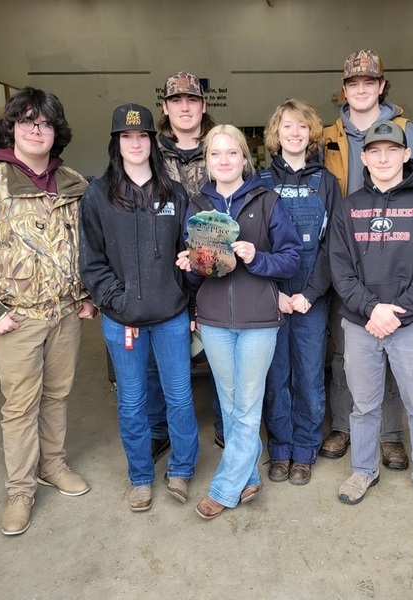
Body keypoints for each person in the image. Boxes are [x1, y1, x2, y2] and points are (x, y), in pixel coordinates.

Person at [0, 87, 94, 536]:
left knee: (57, 396)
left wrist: (88, 294)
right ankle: (20, 490)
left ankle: (53, 465)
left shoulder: (74, 183)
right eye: (26, 121)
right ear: (11, 127)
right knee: (20, 406)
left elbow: (89, 247)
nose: (35, 129)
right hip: (18, 318)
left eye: (45, 122)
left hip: (66, 314)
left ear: (56, 131)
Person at [329, 120, 413, 516]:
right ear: (364, 158)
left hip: (410, 324)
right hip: (362, 323)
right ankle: (363, 469)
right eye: (375, 151)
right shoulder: (348, 208)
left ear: (406, 154)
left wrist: (394, 313)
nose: (383, 158)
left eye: (391, 150)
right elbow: (340, 269)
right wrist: (371, 309)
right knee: (363, 405)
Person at [176, 125, 302, 520]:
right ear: (208, 162)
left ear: (244, 159)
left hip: (259, 319)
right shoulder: (197, 205)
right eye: (216, 154)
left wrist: (256, 257)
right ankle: (248, 476)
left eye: (232, 153)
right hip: (213, 320)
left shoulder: (266, 201)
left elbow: (293, 257)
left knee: (246, 406)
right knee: (231, 405)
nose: (224, 160)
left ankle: (224, 489)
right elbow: (197, 276)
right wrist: (190, 265)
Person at [80, 103, 200, 513]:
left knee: (180, 397)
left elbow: (189, 252)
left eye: (143, 136)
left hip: (171, 317)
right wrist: (118, 300)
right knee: (131, 401)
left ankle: (182, 469)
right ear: (117, 143)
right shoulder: (98, 194)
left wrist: (188, 291)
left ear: (153, 141)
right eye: (127, 137)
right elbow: (91, 260)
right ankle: (140, 477)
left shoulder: (174, 192)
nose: (135, 143)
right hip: (123, 321)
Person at [321, 49, 413, 470]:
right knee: (345, 349)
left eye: (370, 82)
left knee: (393, 345)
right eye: (354, 83)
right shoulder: (328, 133)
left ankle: (390, 436)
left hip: (397, 261)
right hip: (348, 258)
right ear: (344, 88)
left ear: (382, 86)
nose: (362, 88)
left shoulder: (408, 132)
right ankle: (345, 426)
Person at [260, 99, 340, 485]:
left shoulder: (326, 182)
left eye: (302, 126)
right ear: (276, 134)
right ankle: (280, 450)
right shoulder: (260, 183)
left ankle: (305, 451)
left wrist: (310, 292)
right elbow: (254, 244)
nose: (294, 133)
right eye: (287, 126)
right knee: (276, 377)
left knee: (308, 376)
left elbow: (333, 246)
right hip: (271, 297)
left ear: (312, 134)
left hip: (312, 296)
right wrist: (273, 293)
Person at [145, 71, 224, 460]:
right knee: (159, 352)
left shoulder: (220, 145)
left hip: (213, 260)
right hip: (162, 264)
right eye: (177, 101)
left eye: (192, 100)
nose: (185, 107)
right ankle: (159, 428)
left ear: (203, 105)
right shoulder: (150, 151)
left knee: (219, 344)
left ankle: (225, 425)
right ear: (166, 107)